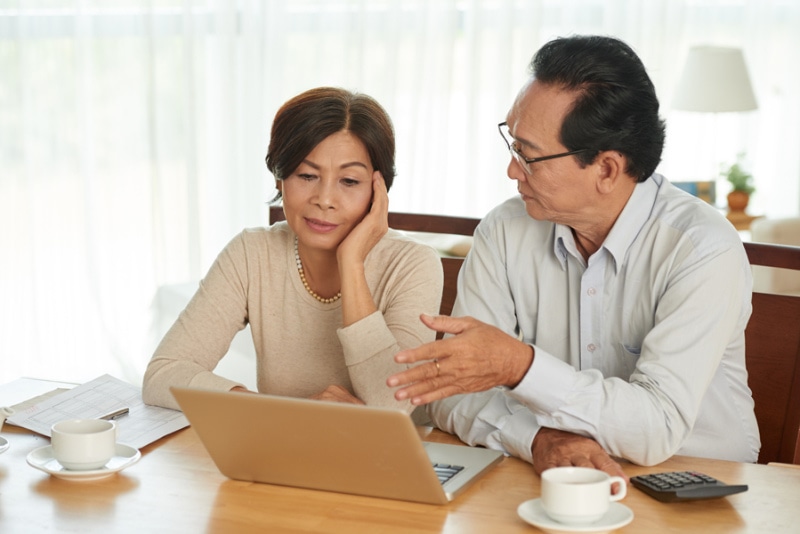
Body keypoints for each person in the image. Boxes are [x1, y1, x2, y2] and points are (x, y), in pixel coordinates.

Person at [386, 35, 760, 477]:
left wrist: (518, 365)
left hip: (697, 480)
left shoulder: (701, 248)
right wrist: (537, 438)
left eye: (528, 156)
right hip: (550, 473)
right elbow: (452, 394)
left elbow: (656, 426)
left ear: (606, 169)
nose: (511, 170)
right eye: (513, 145)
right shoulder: (505, 231)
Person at [143, 87, 443, 413]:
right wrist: (282, 413)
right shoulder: (251, 253)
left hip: (388, 460)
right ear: (279, 177)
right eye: (307, 175)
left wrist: (352, 263)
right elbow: (163, 373)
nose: (325, 199)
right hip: (279, 453)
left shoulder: (414, 265)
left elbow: (391, 407)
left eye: (349, 181)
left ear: (378, 188)